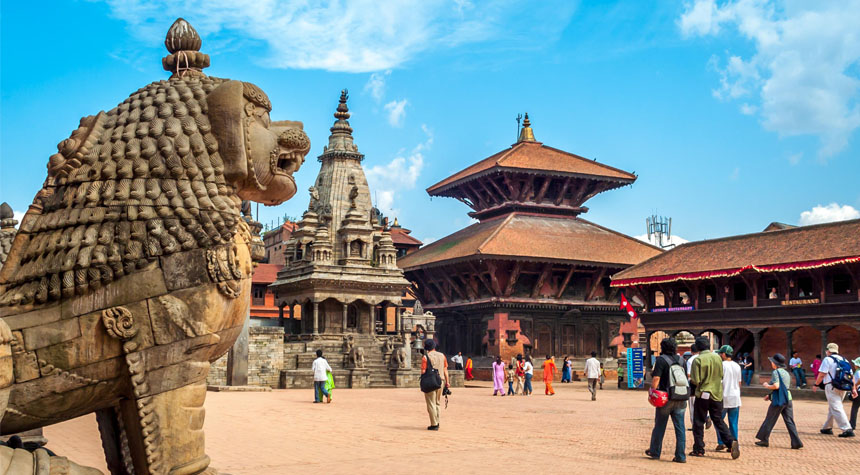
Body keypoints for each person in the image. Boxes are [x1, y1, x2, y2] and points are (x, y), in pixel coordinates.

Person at [689, 336, 739, 459]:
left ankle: (699, 448)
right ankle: (730, 441)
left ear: (698, 347)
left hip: (703, 394)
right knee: (718, 420)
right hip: (717, 394)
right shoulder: (717, 358)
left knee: (699, 421)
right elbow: (721, 375)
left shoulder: (698, 360)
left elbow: (695, 380)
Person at [645, 337, 686, 463]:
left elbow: (656, 379)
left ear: (662, 348)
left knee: (660, 426)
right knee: (680, 428)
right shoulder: (682, 360)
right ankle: (680, 456)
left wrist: (652, 391)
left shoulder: (661, 360)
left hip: (665, 398)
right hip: (680, 396)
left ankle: (655, 451)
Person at [754, 353, 803, 449]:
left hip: (779, 400)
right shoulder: (786, 373)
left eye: (772, 362)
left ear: (775, 363)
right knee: (789, 421)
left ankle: (764, 439)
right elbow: (784, 388)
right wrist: (770, 395)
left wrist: (766, 385)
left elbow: (776, 386)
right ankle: (796, 442)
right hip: (788, 398)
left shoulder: (776, 372)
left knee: (770, 419)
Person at [812, 343, 857, 437]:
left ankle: (847, 429)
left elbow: (822, 374)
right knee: (833, 406)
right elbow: (851, 376)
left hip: (831, 385)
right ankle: (827, 428)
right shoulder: (845, 360)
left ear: (828, 351)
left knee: (836, 407)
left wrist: (816, 384)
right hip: (844, 386)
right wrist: (853, 389)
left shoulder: (827, 359)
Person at [714, 345, 741, 452]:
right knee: (733, 422)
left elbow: (718, 382)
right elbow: (739, 383)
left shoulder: (721, 365)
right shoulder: (737, 366)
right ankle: (734, 441)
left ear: (724, 354)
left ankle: (722, 442)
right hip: (735, 396)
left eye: (721, 353)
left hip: (723, 396)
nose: (720, 355)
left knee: (719, 421)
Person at [421, 339, 450, 430]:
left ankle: (434, 424)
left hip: (430, 381)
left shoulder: (426, 357)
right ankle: (437, 421)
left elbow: (423, 371)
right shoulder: (442, 356)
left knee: (431, 403)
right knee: (437, 403)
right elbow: (445, 370)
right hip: (441, 381)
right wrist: (447, 382)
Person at [850, 357, 860, 430]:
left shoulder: (858, 371)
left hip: (858, 391)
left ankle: (852, 424)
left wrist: (855, 385)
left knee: (854, 408)